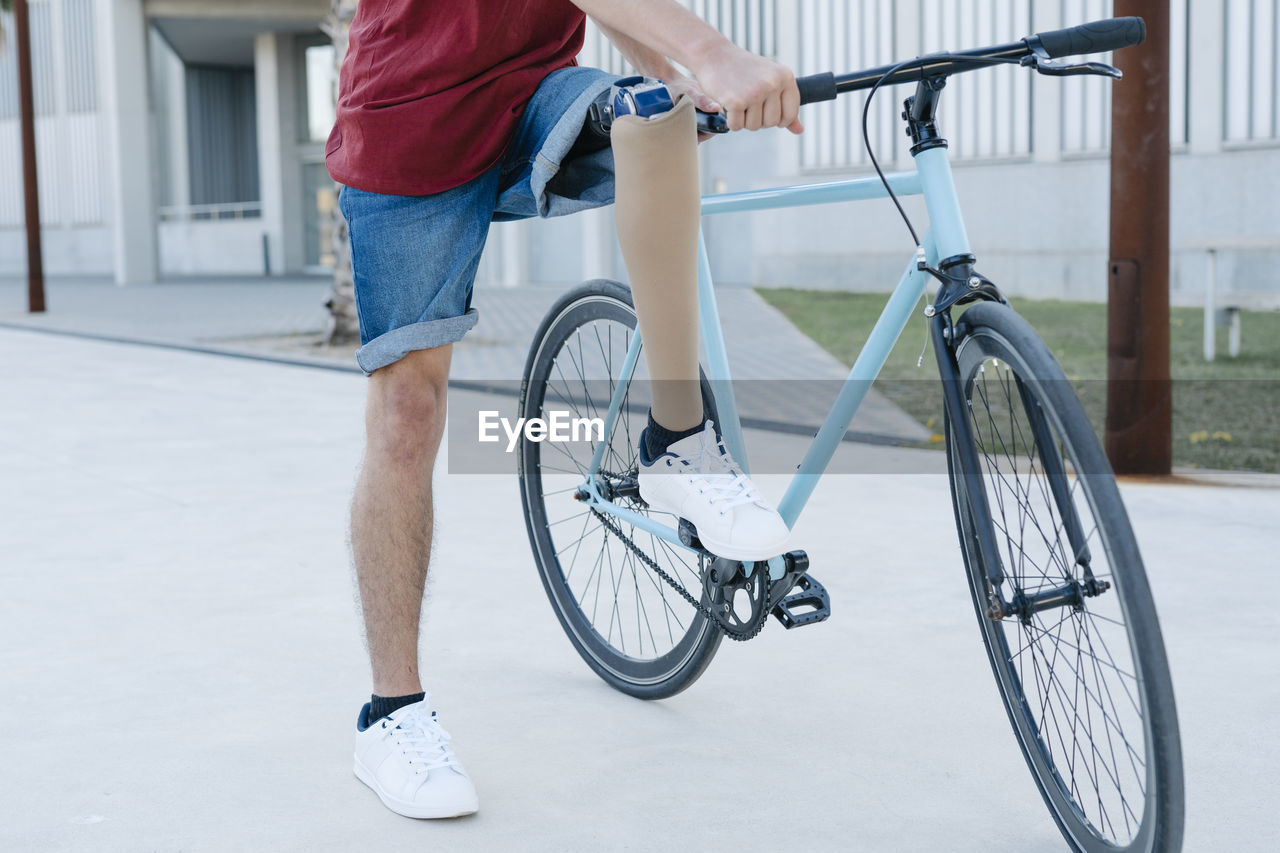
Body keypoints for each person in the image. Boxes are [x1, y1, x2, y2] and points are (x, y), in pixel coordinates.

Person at [326, 0, 804, 820]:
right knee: (407, 413)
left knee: (657, 115)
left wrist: (681, 78)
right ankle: (391, 714)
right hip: (408, 116)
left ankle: (678, 442)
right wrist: (715, 51)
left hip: (533, 91)